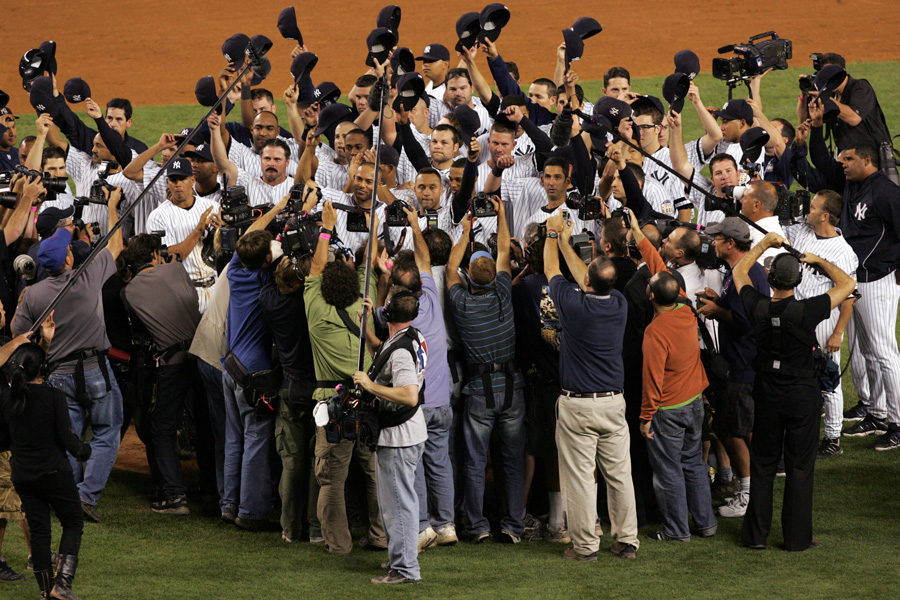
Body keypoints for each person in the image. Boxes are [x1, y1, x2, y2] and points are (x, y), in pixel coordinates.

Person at [734, 234, 855, 551]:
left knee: (762, 464)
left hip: (767, 393)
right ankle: (796, 539)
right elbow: (847, 284)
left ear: (770, 278)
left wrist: (762, 246)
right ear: (799, 279)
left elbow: (739, 272)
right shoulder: (807, 309)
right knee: (800, 468)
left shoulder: (756, 305)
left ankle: (755, 537)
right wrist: (818, 261)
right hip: (802, 396)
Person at [12, 187, 125, 525]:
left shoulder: (33, 294)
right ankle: (86, 497)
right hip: (94, 369)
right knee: (107, 429)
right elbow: (116, 245)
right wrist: (113, 209)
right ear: (69, 258)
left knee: (68, 437)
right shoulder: (87, 276)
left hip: (57, 373)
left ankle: (67, 494)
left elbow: (20, 334)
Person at [542, 213, 639, 561]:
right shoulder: (619, 303)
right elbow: (585, 275)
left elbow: (553, 270)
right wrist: (567, 242)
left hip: (579, 406)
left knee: (581, 480)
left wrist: (554, 236)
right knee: (619, 475)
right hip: (614, 404)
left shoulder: (574, 305)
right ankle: (627, 540)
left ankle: (585, 547)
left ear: (587, 281)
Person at [807, 122, 900, 450]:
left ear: (866, 160)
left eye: (847, 159)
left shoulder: (886, 192)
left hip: (877, 280)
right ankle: (875, 411)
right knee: (862, 350)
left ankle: (898, 421)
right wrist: (817, 126)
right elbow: (820, 159)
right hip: (853, 279)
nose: (841, 164)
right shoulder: (852, 185)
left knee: (884, 351)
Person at [305, 201, 386, 555]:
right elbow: (370, 263)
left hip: (334, 403)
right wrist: (373, 227)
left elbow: (316, 267)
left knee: (332, 480)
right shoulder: (362, 301)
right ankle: (382, 537)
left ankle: (338, 544)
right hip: (368, 398)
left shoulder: (316, 309)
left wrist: (326, 229)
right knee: (375, 475)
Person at [447, 199, 525, 544]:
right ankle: (513, 525)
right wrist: (503, 216)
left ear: (469, 277)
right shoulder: (503, 293)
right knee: (512, 461)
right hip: (512, 387)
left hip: (479, 390)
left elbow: (451, 267)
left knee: (476, 461)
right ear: (494, 276)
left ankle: (478, 526)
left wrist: (465, 232)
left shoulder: (461, 303)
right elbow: (505, 251)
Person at [0, 336, 92, 600]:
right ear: (43, 369)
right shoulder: (53, 396)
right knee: (73, 522)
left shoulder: (7, 398)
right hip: (54, 473)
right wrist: (85, 450)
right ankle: (62, 586)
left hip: (23, 476)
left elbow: (2, 439)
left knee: (40, 531)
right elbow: (67, 439)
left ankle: (45, 592)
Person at [122, 234, 205, 515]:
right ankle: (213, 490)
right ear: (156, 256)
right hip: (201, 355)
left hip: (170, 364)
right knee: (207, 426)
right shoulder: (176, 268)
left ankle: (174, 496)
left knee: (162, 430)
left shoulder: (128, 291)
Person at [220, 197, 289, 531]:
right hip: (254, 374)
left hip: (229, 366)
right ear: (266, 259)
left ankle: (229, 503)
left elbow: (251, 234)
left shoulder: (235, 269)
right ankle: (250, 512)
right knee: (257, 441)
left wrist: (275, 211)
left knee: (235, 438)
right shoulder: (267, 281)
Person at [695, 217, 770, 518]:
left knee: (736, 430)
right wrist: (719, 301)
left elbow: (750, 321)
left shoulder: (747, 272)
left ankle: (749, 494)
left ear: (730, 243)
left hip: (744, 364)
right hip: (740, 362)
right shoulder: (737, 271)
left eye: (716, 238)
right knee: (735, 428)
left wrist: (718, 311)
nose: (711, 242)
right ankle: (752, 489)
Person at [353, 286, 428, 584]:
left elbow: (409, 395)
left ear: (389, 314)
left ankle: (406, 569)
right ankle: (402, 559)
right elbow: (381, 353)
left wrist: (369, 386)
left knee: (398, 503)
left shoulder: (400, 351)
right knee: (399, 502)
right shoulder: (410, 336)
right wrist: (367, 328)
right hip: (407, 433)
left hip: (400, 436)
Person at [640, 271, 717, 542]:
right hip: (695, 404)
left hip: (668, 410)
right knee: (694, 463)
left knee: (668, 470)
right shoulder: (687, 311)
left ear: (651, 296)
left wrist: (646, 416)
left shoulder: (655, 331)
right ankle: (706, 524)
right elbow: (666, 279)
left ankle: (676, 531)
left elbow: (652, 378)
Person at [783, 191, 858, 458]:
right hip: (797, 315)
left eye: (812, 207)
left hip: (824, 322)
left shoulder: (843, 252)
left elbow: (849, 297)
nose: (807, 210)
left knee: (828, 379)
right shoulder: (803, 229)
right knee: (799, 375)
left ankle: (833, 438)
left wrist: (839, 333)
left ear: (825, 215)